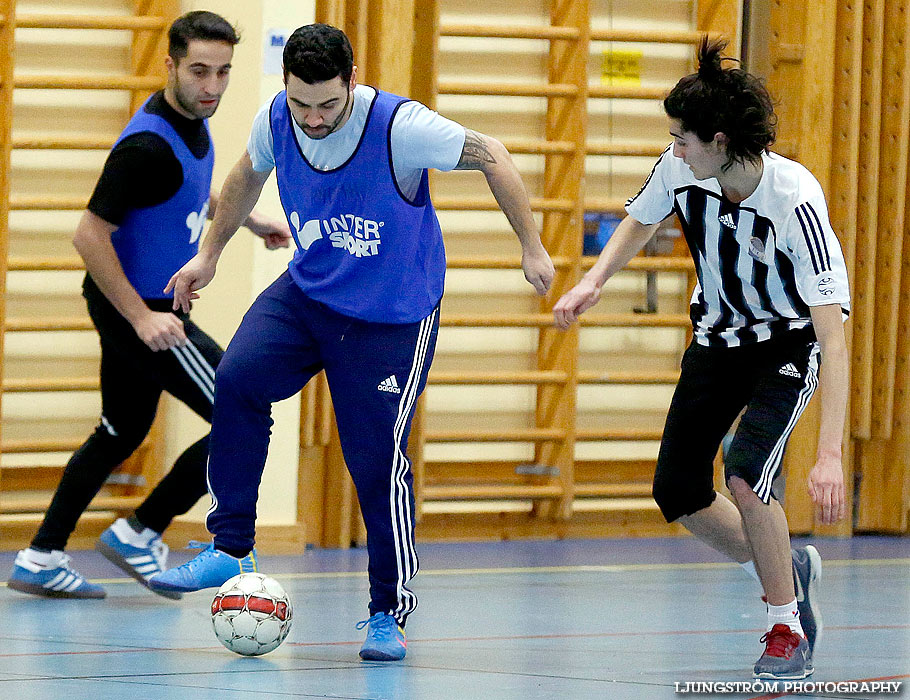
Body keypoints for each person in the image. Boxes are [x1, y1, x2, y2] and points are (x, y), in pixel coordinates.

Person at [149, 23, 554, 660]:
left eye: (326, 105)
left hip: (390, 319)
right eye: (300, 103)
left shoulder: (401, 127)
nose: (311, 119)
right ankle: (230, 546)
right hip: (308, 294)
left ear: (353, 84)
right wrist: (210, 255)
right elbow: (245, 176)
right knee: (237, 380)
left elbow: (494, 155)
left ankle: (388, 611)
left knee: (373, 459)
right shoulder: (277, 117)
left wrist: (530, 245)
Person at [553, 38, 849, 681]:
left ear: (719, 140)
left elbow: (834, 331)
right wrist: (594, 280)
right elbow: (638, 218)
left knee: (746, 475)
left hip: (786, 347)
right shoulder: (682, 168)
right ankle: (787, 568)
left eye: (683, 139)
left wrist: (831, 453)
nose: (674, 149)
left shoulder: (795, 199)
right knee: (678, 490)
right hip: (716, 342)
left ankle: (785, 626)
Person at [8, 11, 291, 600]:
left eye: (223, 72)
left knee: (120, 430)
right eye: (198, 71)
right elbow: (88, 235)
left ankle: (41, 555)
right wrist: (142, 318)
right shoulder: (144, 146)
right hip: (145, 310)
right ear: (170, 65)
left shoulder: (190, 123)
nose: (212, 86)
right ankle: (142, 530)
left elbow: (187, 188)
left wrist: (248, 218)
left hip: (144, 308)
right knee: (243, 413)